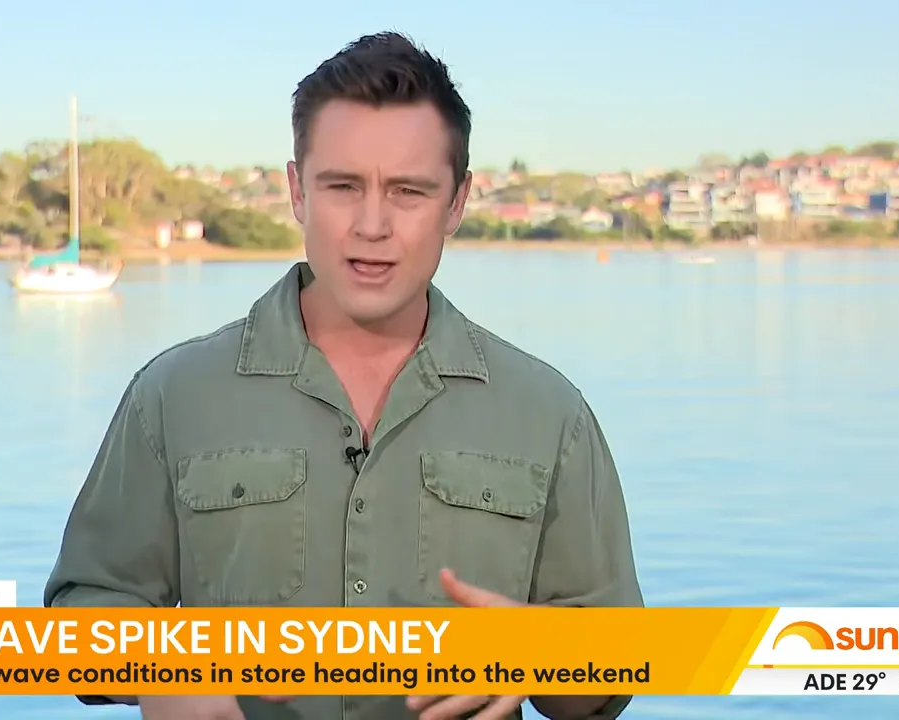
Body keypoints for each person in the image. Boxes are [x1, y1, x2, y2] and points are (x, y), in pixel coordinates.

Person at [43, 30, 643, 720]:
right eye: (343, 186)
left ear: (457, 203)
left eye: (409, 192)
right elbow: (80, 622)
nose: (372, 224)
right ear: (298, 190)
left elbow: (616, 669)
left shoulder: (550, 413)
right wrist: (167, 673)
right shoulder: (171, 397)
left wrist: (538, 651)